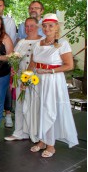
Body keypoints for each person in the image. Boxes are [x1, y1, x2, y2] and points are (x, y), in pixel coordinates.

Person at [26, 13, 78, 157]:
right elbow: (32, 64)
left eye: (51, 26)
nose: (47, 28)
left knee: (50, 110)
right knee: (39, 110)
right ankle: (42, 141)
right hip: (38, 81)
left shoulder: (62, 43)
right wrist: (26, 79)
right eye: (45, 25)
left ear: (56, 27)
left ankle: (51, 145)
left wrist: (50, 71)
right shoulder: (38, 43)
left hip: (53, 81)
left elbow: (69, 65)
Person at [4, 17, 42, 141]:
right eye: (26, 26)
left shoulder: (42, 42)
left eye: (31, 26)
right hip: (21, 79)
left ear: (37, 27)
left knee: (34, 106)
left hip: (36, 79)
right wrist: (13, 68)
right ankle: (19, 132)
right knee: (20, 105)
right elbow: (14, 58)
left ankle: (34, 133)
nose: (29, 28)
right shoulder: (20, 42)